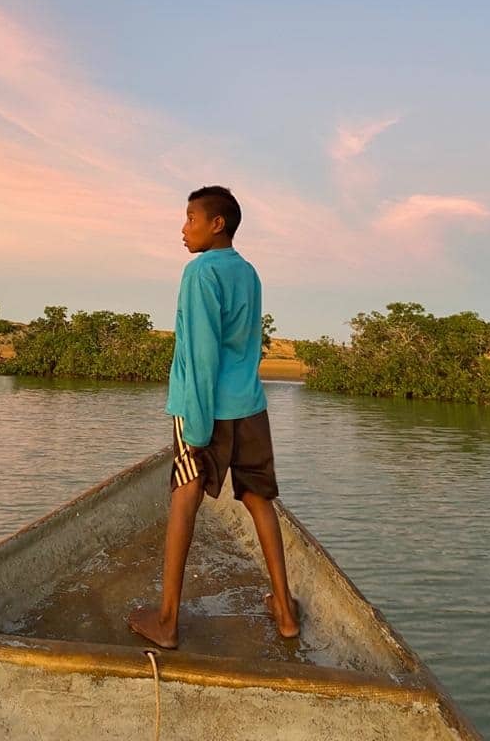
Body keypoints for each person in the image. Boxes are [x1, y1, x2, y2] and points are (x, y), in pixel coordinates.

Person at [128, 185, 299, 650]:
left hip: (204, 408)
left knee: (184, 498)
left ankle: (167, 620)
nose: (183, 229)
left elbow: (203, 354)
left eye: (190, 218)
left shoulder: (200, 271)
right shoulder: (248, 272)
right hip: (250, 406)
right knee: (259, 498)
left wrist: (199, 430)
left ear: (216, 223)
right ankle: (285, 612)